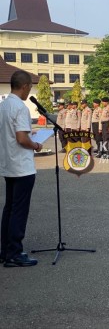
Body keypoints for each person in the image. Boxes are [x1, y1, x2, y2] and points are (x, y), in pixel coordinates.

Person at [0, 70, 43, 267]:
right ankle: (15, 253)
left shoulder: (3, 106)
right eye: (29, 88)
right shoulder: (20, 107)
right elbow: (21, 138)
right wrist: (36, 144)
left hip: (8, 164)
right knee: (19, 210)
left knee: (9, 208)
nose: (29, 91)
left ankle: (5, 250)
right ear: (25, 86)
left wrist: (27, 133)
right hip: (22, 167)